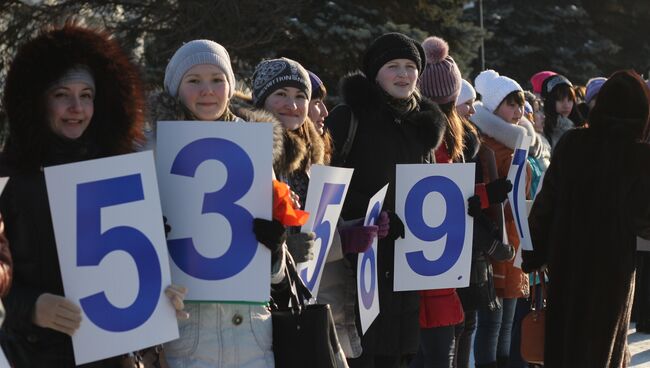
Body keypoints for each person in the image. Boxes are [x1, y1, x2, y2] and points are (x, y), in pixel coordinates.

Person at [0, 22, 186, 367]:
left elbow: (131, 265)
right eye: (62, 95)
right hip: (31, 355)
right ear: (38, 102)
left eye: (86, 95)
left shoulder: (121, 172)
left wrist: (160, 295)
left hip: (112, 358)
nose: (77, 108)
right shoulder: (8, 178)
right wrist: (29, 308)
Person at [147, 39, 289, 368]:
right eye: (193, 81)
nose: (207, 90)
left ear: (230, 85)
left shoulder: (255, 149)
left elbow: (278, 273)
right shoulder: (152, 147)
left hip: (252, 330)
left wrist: (276, 247)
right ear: (174, 88)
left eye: (217, 79)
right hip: (185, 329)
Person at [326, 32, 447, 367]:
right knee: (361, 354)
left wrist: (456, 211)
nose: (403, 74)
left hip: (405, 270)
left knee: (396, 356)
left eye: (410, 66)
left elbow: (427, 193)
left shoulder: (423, 128)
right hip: (356, 264)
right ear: (374, 73)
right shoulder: (348, 117)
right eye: (393, 66)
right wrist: (371, 215)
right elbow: (324, 187)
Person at [523, 70, 650, 367]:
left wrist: (534, 253)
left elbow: (545, 205)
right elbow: (644, 219)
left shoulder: (571, 143)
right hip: (611, 270)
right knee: (602, 349)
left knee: (564, 343)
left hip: (565, 262)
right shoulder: (640, 157)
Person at [470, 70, 533, 368]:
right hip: (494, 238)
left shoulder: (519, 143)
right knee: (491, 321)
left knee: (509, 320)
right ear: (494, 107)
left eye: (520, 104)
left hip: (515, 236)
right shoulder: (483, 146)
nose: (518, 111)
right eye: (511, 104)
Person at [540, 74, 581, 150]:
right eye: (560, 100)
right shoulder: (540, 128)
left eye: (570, 100)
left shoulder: (580, 129)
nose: (566, 105)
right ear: (550, 102)